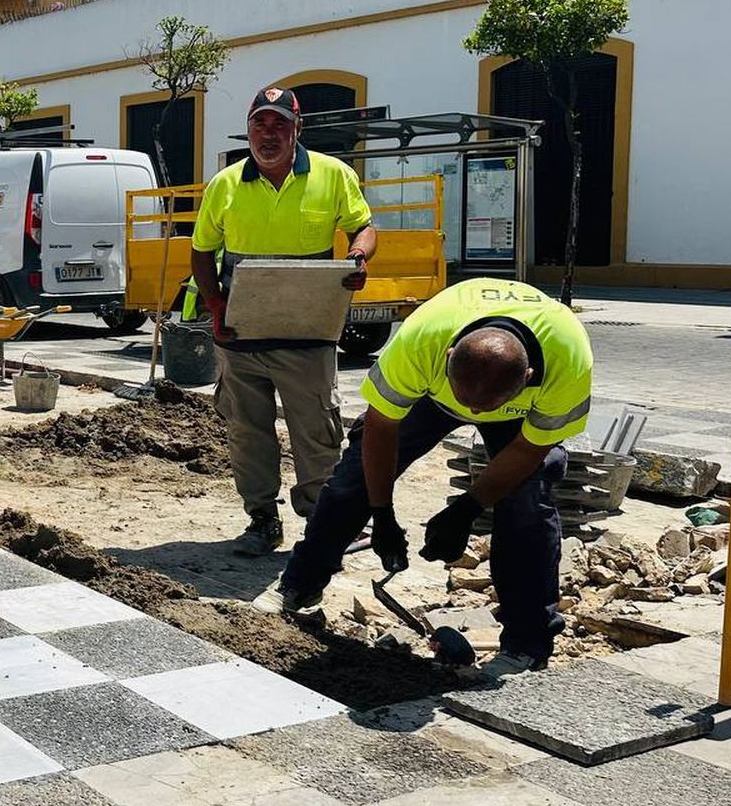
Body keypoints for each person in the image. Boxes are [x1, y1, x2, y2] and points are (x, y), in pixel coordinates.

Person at [259, 277, 593, 676]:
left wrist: (467, 509)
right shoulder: (422, 342)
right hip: (432, 397)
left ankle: (526, 644)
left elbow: (528, 450)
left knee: (526, 506)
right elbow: (382, 429)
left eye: (484, 408)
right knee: (353, 482)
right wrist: (381, 514)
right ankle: (300, 586)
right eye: (465, 402)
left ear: (527, 377)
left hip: (518, 415)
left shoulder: (568, 364)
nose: (474, 414)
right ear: (449, 355)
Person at [191, 87, 378, 556]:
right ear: (248, 129)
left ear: (298, 129)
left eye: (279, 124)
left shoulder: (333, 175)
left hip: (308, 333)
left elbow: (363, 226)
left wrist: (357, 257)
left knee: (317, 430)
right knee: (247, 431)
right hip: (241, 338)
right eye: (260, 124)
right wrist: (214, 306)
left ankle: (323, 522)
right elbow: (200, 252)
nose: (268, 134)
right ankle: (261, 520)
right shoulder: (226, 185)